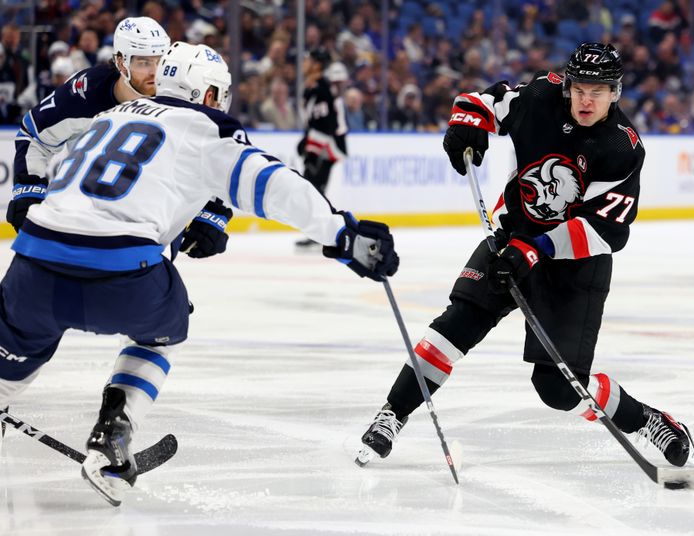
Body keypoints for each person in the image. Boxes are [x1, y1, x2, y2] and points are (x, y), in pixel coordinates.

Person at [0, 41, 399, 506]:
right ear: (208, 93)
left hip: (32, 262)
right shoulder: (207, 128)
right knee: (164, 331)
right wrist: (341, 234)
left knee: (13, 353)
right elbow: (270, 184)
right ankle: (114, 428)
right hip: (121, 277)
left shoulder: (112, 114)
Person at [356, 43, 694, 470]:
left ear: (616, 92)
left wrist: (536, 249)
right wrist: (467, 125)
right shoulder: (540, 96)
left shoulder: (622, 148)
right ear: (567, 85)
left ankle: (647, 420)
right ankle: (393, 412)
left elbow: (605, 230)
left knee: (557, 388)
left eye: (598, 90)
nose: (586, 99)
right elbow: (484, 101)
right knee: (453, 327)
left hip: (575, 267)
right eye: (579, 88)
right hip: (511, 239)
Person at [9, 17, 233, 261]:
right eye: (144, 62)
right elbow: (34, 133)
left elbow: (215, 148)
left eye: (161, 60)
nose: (155, 72)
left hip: (150, 221)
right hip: (81, 216)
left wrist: (214, 209)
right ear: (120, 62)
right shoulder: (87, 91)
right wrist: (28, 187)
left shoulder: (179, 91)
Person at [295, 49, 348, 248]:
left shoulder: (321, 88)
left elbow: (327, 125)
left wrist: (313, 149)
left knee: (315, 188)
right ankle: (323, 232)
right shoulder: (314, 87)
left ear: (317, 64)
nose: (304, 63)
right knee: (315, 188)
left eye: (308, 60)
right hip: (321, 145)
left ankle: (326, 232)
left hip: (327, 147)